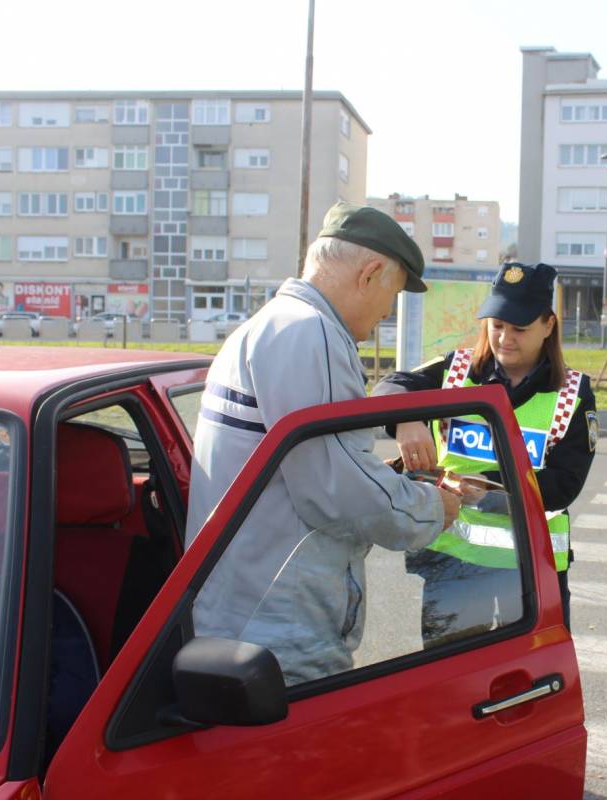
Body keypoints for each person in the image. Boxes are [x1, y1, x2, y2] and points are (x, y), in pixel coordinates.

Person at [184, 202, 461, 684]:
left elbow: (308, 464)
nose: (386, 312)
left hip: (247, 610)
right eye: (392, 293)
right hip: (278, 626)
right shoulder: (310, 333)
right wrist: (433, 508)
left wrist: (384, 476)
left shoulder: (276, 323)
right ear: (370, 273)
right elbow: (335, 489)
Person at [374, 262, 597, 640]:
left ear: (548, 326)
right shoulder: (456, 370)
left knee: (527, 685)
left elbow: (564, 485)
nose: (505, 338)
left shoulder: (572, 393)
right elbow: (388, 387)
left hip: (531, 570)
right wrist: (405, 422)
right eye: (497, 325)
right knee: (452, 683)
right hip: (454, 566)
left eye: (519, 328)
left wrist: (490, 487)